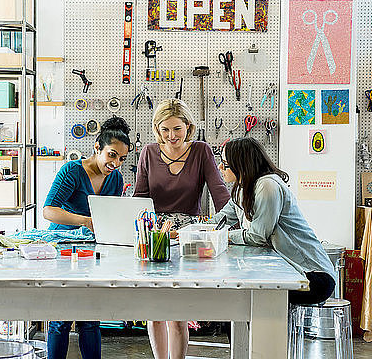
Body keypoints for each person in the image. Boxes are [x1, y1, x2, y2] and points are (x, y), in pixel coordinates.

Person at [134, 99, 230, 359]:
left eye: (177, 129)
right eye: (165, 130)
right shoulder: (149, 153)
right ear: (157, 129)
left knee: (177, 314)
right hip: (156, 235)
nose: (171, 136)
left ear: (189, 126)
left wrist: (231, 226)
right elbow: (140, 197)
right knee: (154, 312)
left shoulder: (201, 150)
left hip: (188, 238)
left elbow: (219, 192)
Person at [43, 116, 131, 359]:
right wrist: (86, 221)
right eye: (112, 155)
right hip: (64, 251)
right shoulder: (72, 170)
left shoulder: (116, 178)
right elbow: (49, 210)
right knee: (61, 319)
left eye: (122, 159)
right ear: (97, 147)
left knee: (90, 319)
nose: (116, 163)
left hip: (92, 253)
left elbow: (112, 216)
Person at [213, 137, 336, 304]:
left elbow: (257, 236)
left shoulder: (267, 186)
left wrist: (225, 235)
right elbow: (219, 221)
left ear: (241, 164)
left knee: (242, 297)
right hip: (285, 271)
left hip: (311, 276)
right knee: (241, 295)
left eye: (225, 163)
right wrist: (186, 232)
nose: (220, 167)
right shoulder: (242, 189)